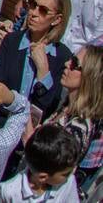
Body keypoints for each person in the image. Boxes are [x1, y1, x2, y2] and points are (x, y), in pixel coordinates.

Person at [0, 0, 73, 118]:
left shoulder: (62, 56)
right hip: (1, 123)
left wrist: (43, 71)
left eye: (43, 10)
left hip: (31, 132)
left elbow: (47, 105)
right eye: (33, 5)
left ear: (57, 19)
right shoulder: (12, 41)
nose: (33, 13)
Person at [38, 46, 103, 193]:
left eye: (74, 63)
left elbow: (48, 171)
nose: (67, 63)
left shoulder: (78, 127)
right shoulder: (68, 105)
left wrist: (27, 128)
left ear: (89, 76)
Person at [0, 123, 82, 202]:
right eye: (65, 174)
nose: (71, 174)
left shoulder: (68, 182)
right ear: (43, 177)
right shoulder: (8, 192)